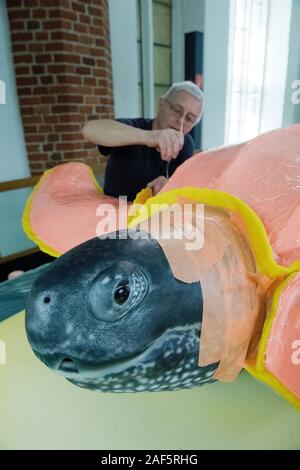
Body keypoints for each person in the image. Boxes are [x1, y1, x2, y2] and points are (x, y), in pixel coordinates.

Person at [82, 81, 204, 201]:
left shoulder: (186, 143)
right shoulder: (134, 127)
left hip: (154, 217)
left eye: (189, 118)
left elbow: (181, 185)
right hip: (114, 213)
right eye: (177, 110)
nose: (181, 121)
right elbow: (89, 129)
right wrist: (149, 137)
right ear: (161, 105)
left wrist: (169, 184)